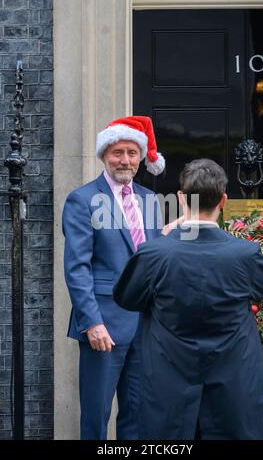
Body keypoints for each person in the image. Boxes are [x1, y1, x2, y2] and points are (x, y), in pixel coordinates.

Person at [113, 158, 263, 440]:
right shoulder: (245, 255)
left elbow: (127, 298)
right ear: (224, 200)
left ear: (180, 198)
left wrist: (164, 238)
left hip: (168, 380)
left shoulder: (154, 254)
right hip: (235, 381)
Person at [62, 116, 164, 440]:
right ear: (104, 154)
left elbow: (156, 261)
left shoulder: (150, 200)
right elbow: (77, 268)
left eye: (132, 153)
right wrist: (91, 323)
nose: (125, 160)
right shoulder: (82, 200)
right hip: (103, 326)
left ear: (141, 157)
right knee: (96, 416)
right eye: (118, 152)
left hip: (145, 327)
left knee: (137, 416)